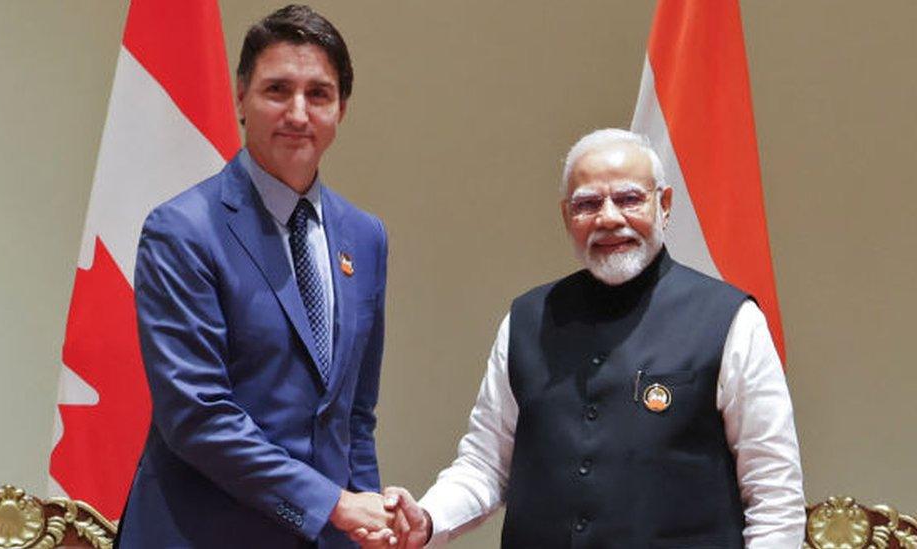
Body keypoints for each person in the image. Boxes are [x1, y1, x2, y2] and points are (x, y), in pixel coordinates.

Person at [360, 129, 805, 548]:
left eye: (629, 199)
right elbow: (485, 465)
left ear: (664, 205)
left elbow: (774, 496)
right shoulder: (527, 319)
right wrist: (429, 518)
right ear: (566, 216)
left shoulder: (731, 320)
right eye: (588, 203)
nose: (609, 218)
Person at [116, 5, 396, 547]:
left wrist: (369, 521)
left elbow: (354, 416)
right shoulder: (182, 230)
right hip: (200, 533)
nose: (298, 112)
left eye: (318, 94)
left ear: (341, 109)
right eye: (277, 90)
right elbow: (197, 415)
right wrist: (333, 505)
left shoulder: (365, 236)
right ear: (241, 97)